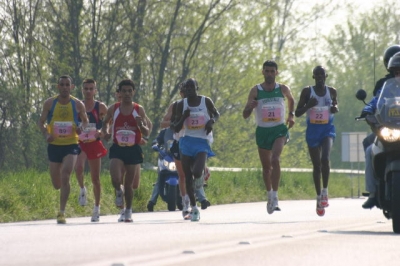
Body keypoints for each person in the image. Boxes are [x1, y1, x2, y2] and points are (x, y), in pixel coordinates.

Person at [148, 84, 211, 218]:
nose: (186, 94)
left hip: (195, 141)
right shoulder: (176, 105)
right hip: (179, 140)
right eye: (183, 92)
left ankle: (199, 194)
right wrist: (177, 121)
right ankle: (186, 204)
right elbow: (163, 124)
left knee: (196, 172)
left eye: (188, 91)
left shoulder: (201, 102)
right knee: (182, 175)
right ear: (181, 93)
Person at [242, 60, 295, 215]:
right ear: (263, 72)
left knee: (275, 160)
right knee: (266, 169)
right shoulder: (256, 90)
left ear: (276, 73)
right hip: (263, 131)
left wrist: (291, 115)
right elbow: (245, 115)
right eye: (267, 71)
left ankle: (276, 196)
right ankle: (269, 195)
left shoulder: (283, 88)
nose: (270, 74)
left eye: (272, 71)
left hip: (279, 130)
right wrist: (250, 107)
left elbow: (291, 99)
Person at [37, 75, 89, 224]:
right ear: (58, 86)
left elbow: (85, 121)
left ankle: (62, 212)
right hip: (54, 145)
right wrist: (46, 133)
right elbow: (40, 122)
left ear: (71, 87)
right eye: (62, 84)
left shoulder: (78, 104)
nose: (65, 87)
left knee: (66, 175)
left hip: (71, 144)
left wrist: (81, 128)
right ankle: (61, 193)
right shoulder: (49, 103)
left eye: (68, 85)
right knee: (56, 184)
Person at [101, 79, 150, 222]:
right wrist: (107, 132)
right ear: (120, 93)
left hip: (133, 149)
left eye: (130, 91)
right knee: (116, 178)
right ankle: (118, 191)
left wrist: (141, 125)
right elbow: (105, 124)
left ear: (133, 92)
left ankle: (127, 210)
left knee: (129, 184)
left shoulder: (138, 109)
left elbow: (146, 132)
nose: (127, 94)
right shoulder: (113, 108)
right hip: (117, 148)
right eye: (124, 91)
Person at [173, 78, 220, 221]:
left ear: (196, 87)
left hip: (201, 141)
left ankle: (200, 192)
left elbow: (216, 114)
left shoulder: (206, 101)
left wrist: (211, 121)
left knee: (198, 171)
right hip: (186, 142)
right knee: (187, 177)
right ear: (184, 90)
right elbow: (175, 127)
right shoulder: (181, 104)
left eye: (191, 87)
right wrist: (183, 117)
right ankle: (194, 208)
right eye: (186, 88)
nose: (189, 90)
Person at [294, 66, 338, 217]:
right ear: (313, 77)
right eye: (316, 74)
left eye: (322, 74)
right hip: (313, 131)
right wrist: (308, 105)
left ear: (326, 75)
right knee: (316, 166)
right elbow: (297, 113)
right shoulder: (307, 92)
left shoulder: (332, 91)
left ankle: (325, 192)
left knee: (325, 158)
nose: (319, 77)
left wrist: (334, 109)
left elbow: (335, 106)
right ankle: (318, 197)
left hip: (327, 130)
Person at [361, 51, 400, 209]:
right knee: (371, 148)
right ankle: (373, 192)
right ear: (392, 72)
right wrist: (367, 110)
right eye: (396, 72)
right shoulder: (386, 88)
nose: (399, 75)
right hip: (391, 128)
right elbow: (375, 101)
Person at [74, 78, 108, 222]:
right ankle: (82, 189)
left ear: (95, 90)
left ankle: (96, 208)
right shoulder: (76, 106)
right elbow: (73, 123)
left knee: (95, 178)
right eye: (85, 88)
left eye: (91, 88)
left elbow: (108, 124)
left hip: (94, 142)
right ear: (82, 90)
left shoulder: (101, 107)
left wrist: (101, 131)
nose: (88, 91)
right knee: (79, 168)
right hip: (80, 142)